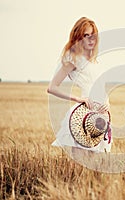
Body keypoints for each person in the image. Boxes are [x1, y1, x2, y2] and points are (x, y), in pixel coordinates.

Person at [47, 17, 112, 153]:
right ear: (78, 37)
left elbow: (100, 86)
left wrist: (107, 103)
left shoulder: (94, 61)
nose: (90, 39)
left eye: (92, 36)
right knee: (80, 161)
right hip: (83, 114)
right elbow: (52, 88)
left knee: (95, 164)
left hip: (100, 115)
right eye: (85, 35)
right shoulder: (73, 59)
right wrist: (77, 99)